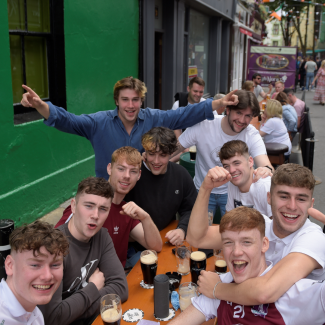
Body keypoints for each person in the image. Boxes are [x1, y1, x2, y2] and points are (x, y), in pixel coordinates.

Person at [20, 77, 238, 179]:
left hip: (143, 191)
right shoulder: (99, 122)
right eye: (125, 100)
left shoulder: (153, 117)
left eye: (135, 100)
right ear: (117, 100)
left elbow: (183, 115)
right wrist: (41, 106)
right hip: (108, 193)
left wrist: (217, 104)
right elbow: (69, 120)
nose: (130, 106)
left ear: (141, 101)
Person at [186, 163, 325, 309]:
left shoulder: (314, 238)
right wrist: (205, 188)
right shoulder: (259, 224)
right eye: (284, 196)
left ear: (311, 204)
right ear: (269, 198)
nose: (292, 206)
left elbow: (266, 291)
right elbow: (197, 238)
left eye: (301, 199)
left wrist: (216, 288)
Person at [169, 207, 325, 325]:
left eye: (247, 242)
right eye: (228, 242)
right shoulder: (218, 284)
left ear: (264, 245)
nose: (236, 252)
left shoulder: (292, 291)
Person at [39, 177, 128, 325]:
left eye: (103, 209)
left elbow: (120, 288)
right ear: (73, 206)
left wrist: (74, 311)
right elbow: (53, 318)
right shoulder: (52, 248)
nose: (95, 215)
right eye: (89, 206)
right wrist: (92, 288)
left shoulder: (102, 236)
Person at [171, 90, 273, 218]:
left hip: (232, 192)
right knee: (200, 232)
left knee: (232, 231)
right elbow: (173, 150)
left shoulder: (251, 133)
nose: (242, 120)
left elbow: (265, 164)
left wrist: (266, 169)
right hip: (204, 189)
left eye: (248, 116)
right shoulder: (204, 125)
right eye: (239, 113)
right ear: (228, 110)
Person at [55, 147, 163, 268]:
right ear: (109, 169)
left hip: (117, 278)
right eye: (121, 169)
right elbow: (52, 246)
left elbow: (156, 247)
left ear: (139, 175)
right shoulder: (87, 205)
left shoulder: (126, 210)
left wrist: (145, 217)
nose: (127, 176)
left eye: (133, 171)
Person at [125, 127, 197, 245]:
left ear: (171, 153)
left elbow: (191, 209)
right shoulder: (132, 173)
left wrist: (182, 229)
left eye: (162, 155)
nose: (156, 161)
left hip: (167, 240)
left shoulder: (181, 174)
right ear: (145, 152)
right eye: (152, 154)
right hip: (135, 245)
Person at [1, 221, 69, 325]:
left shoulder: (35, 315)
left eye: (55, 265)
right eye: (35, 265)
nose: (47, 276)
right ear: (10, 265)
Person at [216, 140, 272, 217]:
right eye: (226, 166)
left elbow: (277, 226)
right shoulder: (232, 183)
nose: (232, 170)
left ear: (250, 161)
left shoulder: (264, 186)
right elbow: (229, 220)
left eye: (237, 163)